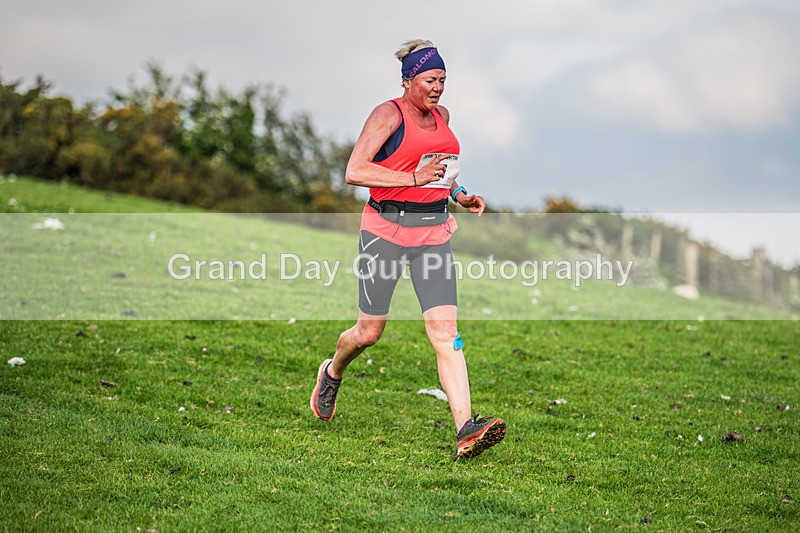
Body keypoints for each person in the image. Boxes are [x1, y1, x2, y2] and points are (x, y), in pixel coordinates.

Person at [310, 39, 505, 459]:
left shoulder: (443, 117)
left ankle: (466, 429)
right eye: (430, 80)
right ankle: (333, 371)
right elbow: (355, 171)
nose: (437, 88)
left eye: (443, 80)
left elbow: (442, 172)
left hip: (433, 232)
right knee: (369, 332)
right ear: (408, 79)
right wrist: (414, 179)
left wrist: (461, 194)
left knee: (446, 333)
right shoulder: (387, 115)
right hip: (385, 231)